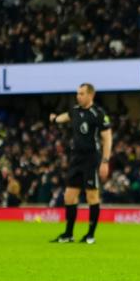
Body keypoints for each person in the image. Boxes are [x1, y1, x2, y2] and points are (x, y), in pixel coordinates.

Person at [49, 83, 112, 244]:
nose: (78, 96)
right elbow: (66, 116)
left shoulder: (98, 114)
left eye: (82, 94)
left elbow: (107, 138)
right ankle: (68, 234)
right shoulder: (75, 111)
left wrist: (105, 161)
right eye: (78, 93)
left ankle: (90, 235)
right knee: (69, 197)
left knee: (92, 195)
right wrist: (55, 119)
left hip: (91, 159)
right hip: (76, 159)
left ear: (91, 95)